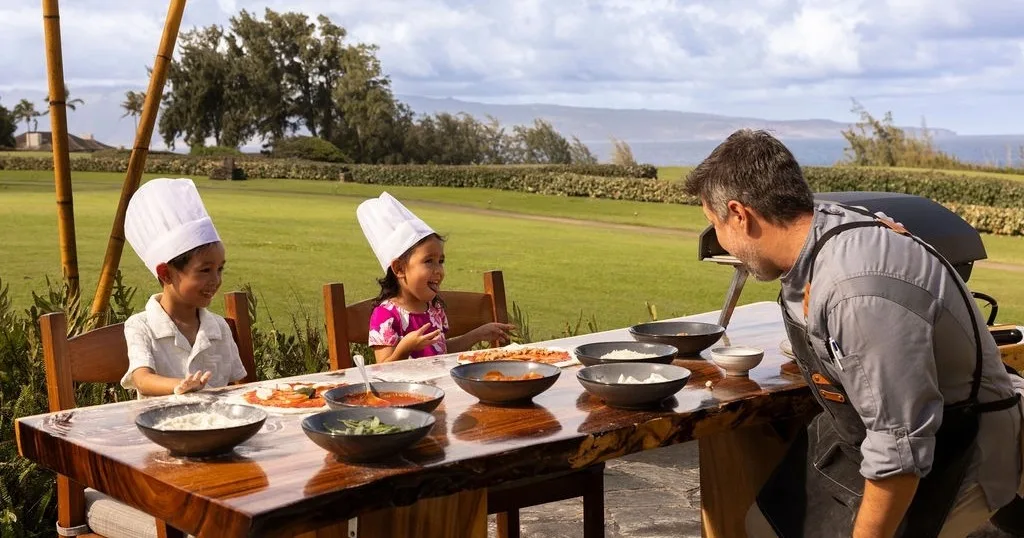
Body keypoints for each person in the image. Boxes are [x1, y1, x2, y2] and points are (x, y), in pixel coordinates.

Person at [684, 129, 1024, 537]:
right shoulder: (820, 229)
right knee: (762, 525)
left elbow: (900, 451)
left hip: (955, 447)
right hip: (866, 436)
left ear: (740, 214)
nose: (721, 243)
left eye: (715, 224)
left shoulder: (855, 290)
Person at [120, 178, 248, 397]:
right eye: (205, 271)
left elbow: (238, 385)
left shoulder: (219, 328)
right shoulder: (140, 326)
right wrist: (179, 386)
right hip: (161, 428)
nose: (216, 280)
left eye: (220, 269)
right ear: (166, 273)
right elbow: (142, 379)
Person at [356, 192, 515, 362]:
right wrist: (405, 348)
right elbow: (383, 368)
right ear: (399, 268)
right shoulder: (386, 315)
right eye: (428, 261)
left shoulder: (434, 308)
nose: (438, 269)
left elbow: (441, 351)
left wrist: (478, 334)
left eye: (441, 261)